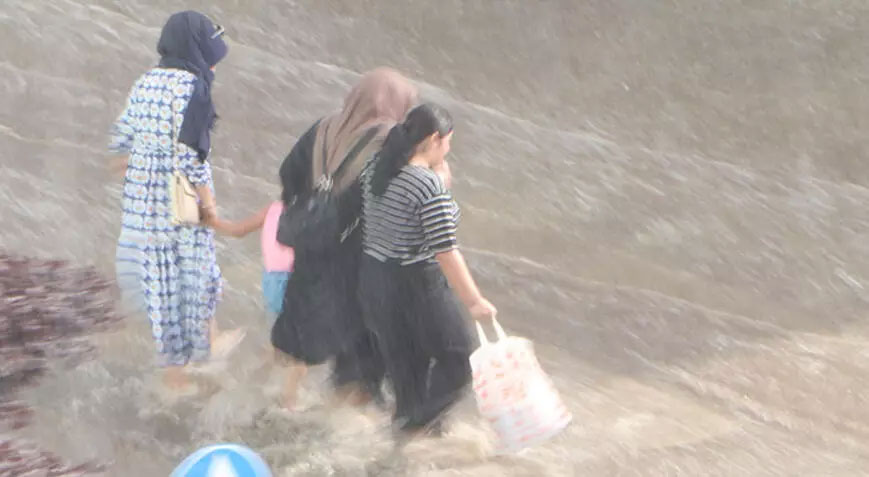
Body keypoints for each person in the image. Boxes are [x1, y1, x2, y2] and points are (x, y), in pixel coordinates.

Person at [109, 11, 244, 392]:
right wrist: (209, 205)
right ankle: (190, 369)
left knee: (163, 285)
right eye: (211, 56)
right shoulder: (194, 90)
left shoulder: (145, 82)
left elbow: (121, 140)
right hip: (180, 201)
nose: (214, 65)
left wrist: (141, 173)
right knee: (197, 275)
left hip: (142, 202)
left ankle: (182, 368)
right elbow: (191, 158)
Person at [271, 68, 418, 409]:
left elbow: (288, 175)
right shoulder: (391, 141)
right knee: (359, 349)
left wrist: (314, 204)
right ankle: (344, 415)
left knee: (301, 334)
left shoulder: (323, 128)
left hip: (312, 248)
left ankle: (283, 403)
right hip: (358, 257)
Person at [357, 103, 497, 440]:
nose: (448, 150)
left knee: (408, 373)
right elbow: (445, 250)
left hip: (374, 281)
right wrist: (475, 301)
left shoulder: (377, 166)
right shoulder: (427, 185)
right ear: (435, 139)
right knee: (459, 359)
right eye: (448, 142)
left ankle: (408, 438)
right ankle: (418, 430)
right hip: (415, 283)